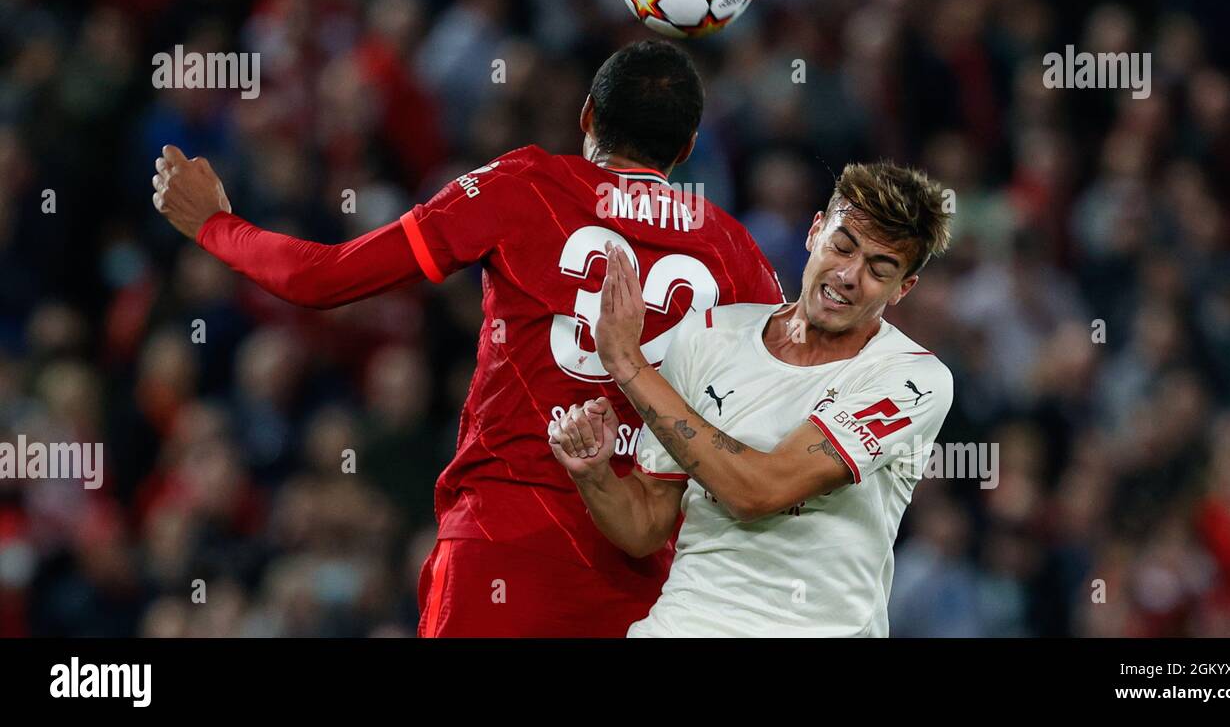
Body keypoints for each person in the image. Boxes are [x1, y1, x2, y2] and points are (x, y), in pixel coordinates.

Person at [151, 40, 784, 637]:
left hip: (501, 542)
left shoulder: (522, 185)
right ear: (689, 145)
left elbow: (321, 278)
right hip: (644, 579)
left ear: (586, 115)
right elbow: (774, 421)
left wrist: (215, 225)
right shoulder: (735, 249)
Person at [549, 160, 953, 636]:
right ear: (815, 232)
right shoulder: (708, 335)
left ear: (903, 288)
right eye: (842, 247)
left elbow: (756, 492)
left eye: (878, 270)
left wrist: (627, 364)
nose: (848, 275)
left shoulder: (912, 379)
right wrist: (594, 474)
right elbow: (644, 526)